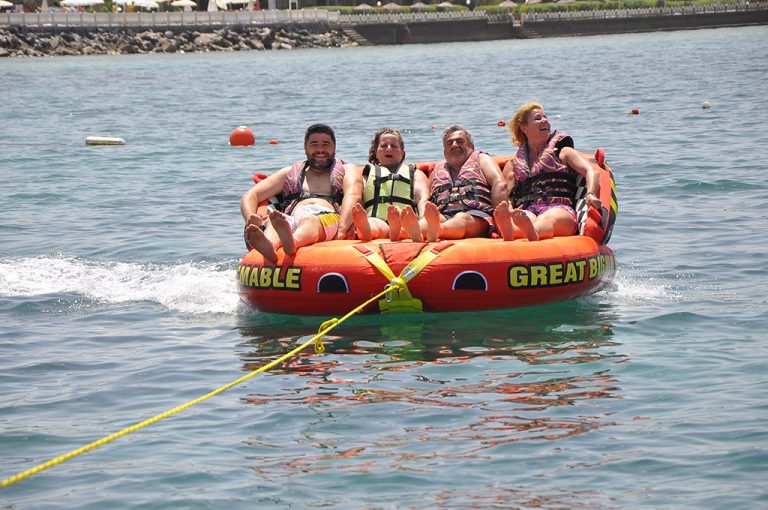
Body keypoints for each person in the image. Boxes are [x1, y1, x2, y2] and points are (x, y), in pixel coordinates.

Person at [240, 124, 361, 263]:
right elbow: (251, 195)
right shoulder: (289, 173)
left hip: (326, 217)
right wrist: (250, 216)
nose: (320, 149)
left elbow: (354, 196)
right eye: (314, 144)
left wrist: (342, 231)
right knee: (275, 223)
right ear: (305, 147)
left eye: (326, 144)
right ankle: (270, 247)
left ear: (334, 147)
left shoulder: (347, 169)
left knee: (309, 220)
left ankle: (293, 243)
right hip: (292, 217)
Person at [493, 103, 602, 242]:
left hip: (560, 209)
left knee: (547, 218)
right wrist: (507, 210)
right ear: (524, 128)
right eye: (538, 118)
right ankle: (510, 231)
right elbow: (506, 196)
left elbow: (591, 171)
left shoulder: (563, 153)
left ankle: (532, 232)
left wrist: (591, 194)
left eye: (546, 117)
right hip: (529, 210)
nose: (545, 120)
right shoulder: (513, 165)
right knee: (524, 216)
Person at [422, 125, 510, 241]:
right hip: (444, 214)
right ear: (444, 152)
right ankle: (408, 231)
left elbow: (499, 184)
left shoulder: (481, 159)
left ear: (471, 147)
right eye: (449, 143)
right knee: (424, 222)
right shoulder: (437, 170)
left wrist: (500, 224)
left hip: (477, 216)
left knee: (461, 218)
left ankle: (436, 231)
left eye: (460, 141)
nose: (454, 145)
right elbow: (428, 198)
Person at [351, 128, 430, 242]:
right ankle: (366, 230)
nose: (389, 149)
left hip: (407, 220)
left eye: (394, 146)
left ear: (402, 153)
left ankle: (403, 231)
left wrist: (423, 218)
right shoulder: (367, 175)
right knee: (373, 224)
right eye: (384, 146)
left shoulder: (415, 174)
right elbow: (358, 199)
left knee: (418, 223)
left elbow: (423, 199)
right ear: (376, 152)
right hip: (377, 219)